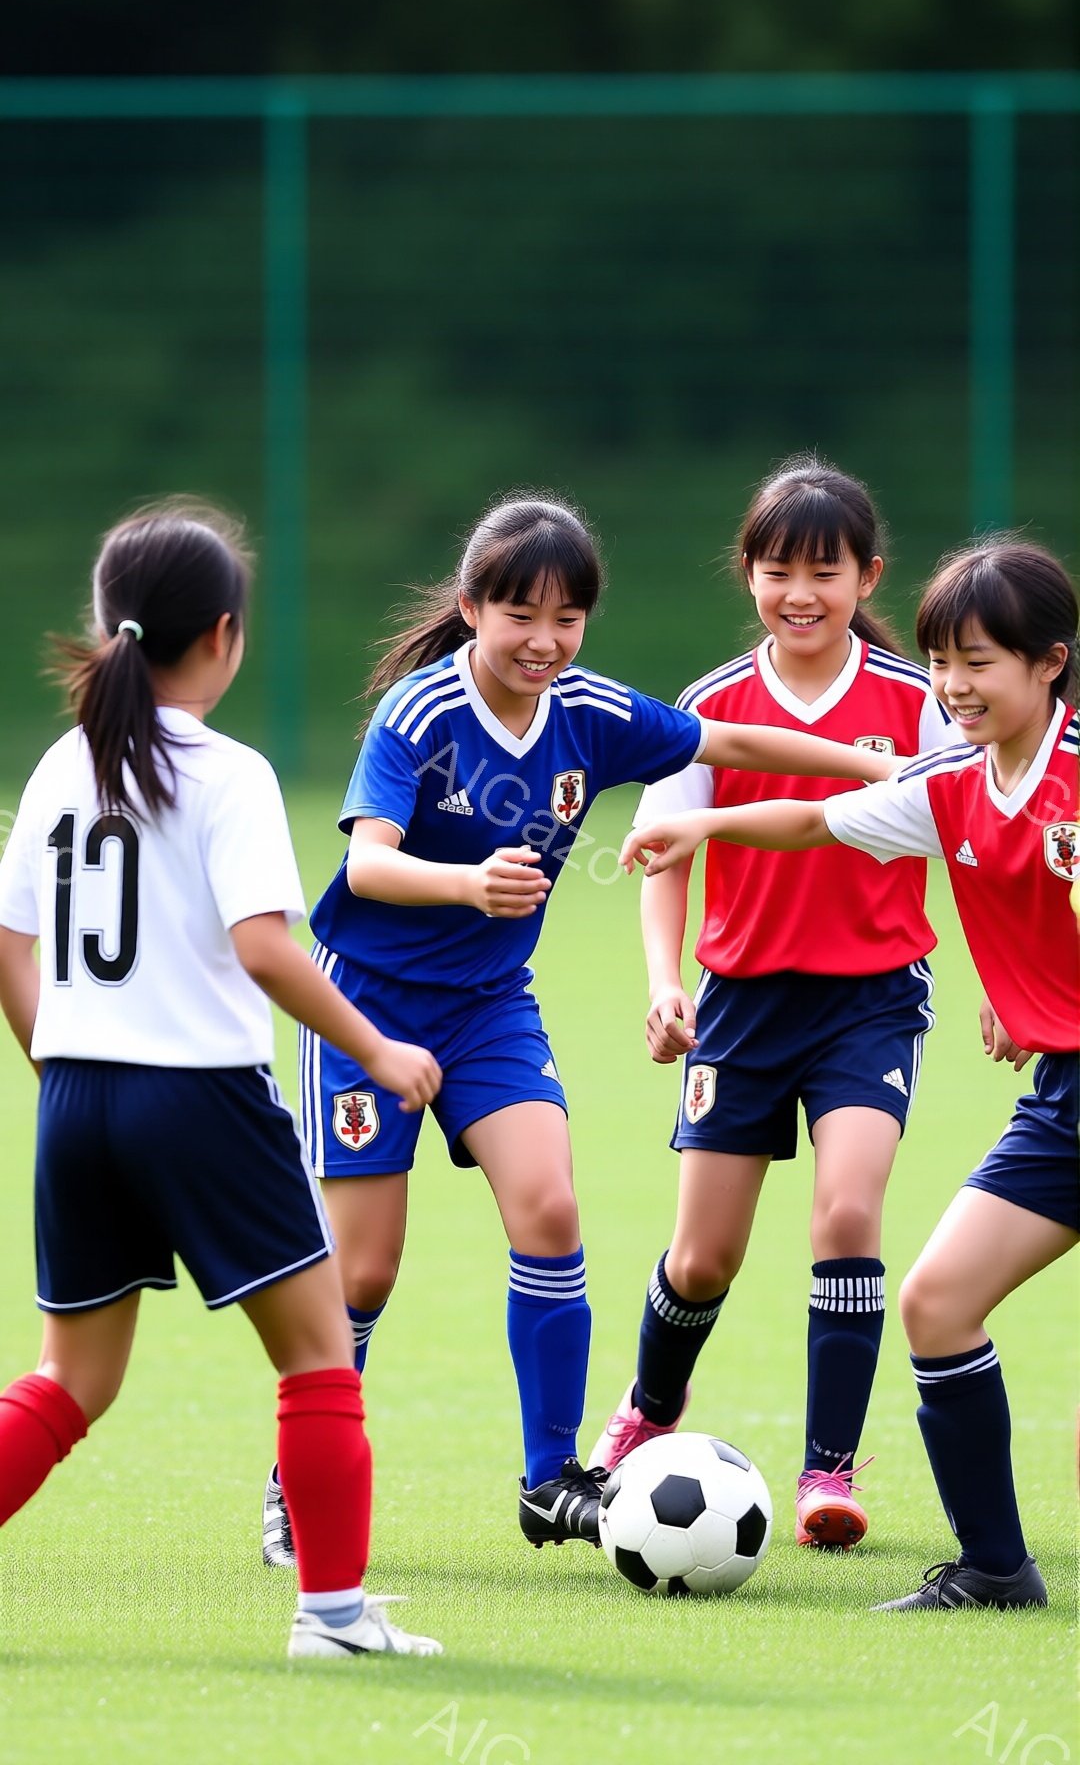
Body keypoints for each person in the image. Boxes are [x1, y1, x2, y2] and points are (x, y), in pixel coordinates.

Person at [263, 491, 900, 1564]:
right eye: (521, 615)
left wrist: (875, 768)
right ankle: (296, 1485)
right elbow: (365, 863)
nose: (544, 640)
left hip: (489, 1010)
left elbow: (734, 736)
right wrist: (467, 883)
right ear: (472, 608)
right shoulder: (418, 717)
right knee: (364, 1271)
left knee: (551, 1206)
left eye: (568, 619)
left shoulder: (591, 712)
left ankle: (551, 1476)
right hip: (365, 1003)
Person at [0, 500, 444, 1660]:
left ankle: (337, 1614)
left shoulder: (58, 764)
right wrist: (379, 1048)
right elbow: (263, 946)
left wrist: (59, 1058)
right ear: (228, 635)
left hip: (75, 1100)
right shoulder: (229, 772)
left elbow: (9, 944)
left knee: (69, 1383)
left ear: (111, 629)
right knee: (317, 1355)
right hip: (199, 1096)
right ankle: (334, 1620)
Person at [619, 535, 1078, 1609]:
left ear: (1048, 664)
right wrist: (702, 821)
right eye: (944, 662)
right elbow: (812, 820)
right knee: (938, 1301)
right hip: (1063, 1097)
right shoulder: (955, 782)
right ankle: (996, 1571)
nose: (956, 686)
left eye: (982, 663)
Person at [587, 456, 957, 1550]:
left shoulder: (917, 703)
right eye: (779, 568)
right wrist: (665, 984)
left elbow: (971, 841)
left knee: (847, 1212)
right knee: (703, 1258)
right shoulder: (706, 708)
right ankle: (649, 1411)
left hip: (872, 1003)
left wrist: (1006, 984)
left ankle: (827, 1475)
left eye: (825, 571)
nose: (801, 592)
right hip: (739, 1007)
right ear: (747, 572)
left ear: (867, 576)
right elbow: (662, 856)